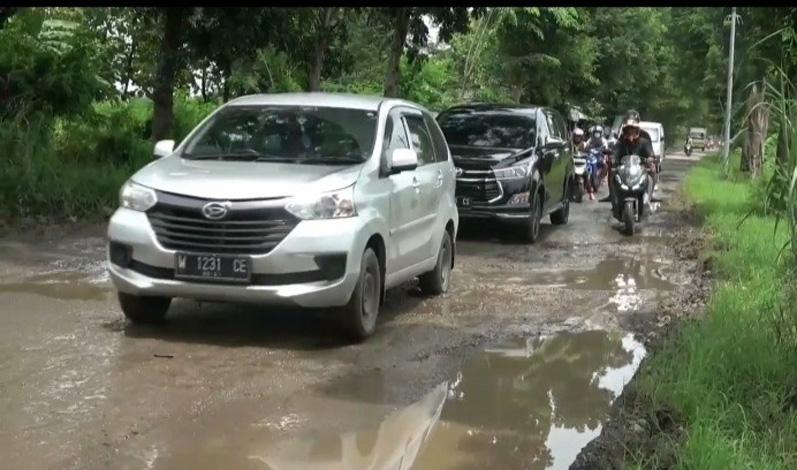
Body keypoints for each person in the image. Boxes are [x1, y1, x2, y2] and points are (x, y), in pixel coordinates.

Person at [604, 111, 658, 216]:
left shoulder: (645, 138)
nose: (631, 132)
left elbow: (650, 151)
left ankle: (649, 195)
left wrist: (650, 158)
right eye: (628, 129)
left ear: (637, 128)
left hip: (641, 167)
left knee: (652, 169)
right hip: (624, 167)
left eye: (633, 129)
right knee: (612, 170)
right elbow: (616, 151)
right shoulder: (621, 140)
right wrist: (613, 158)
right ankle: (614, 197)